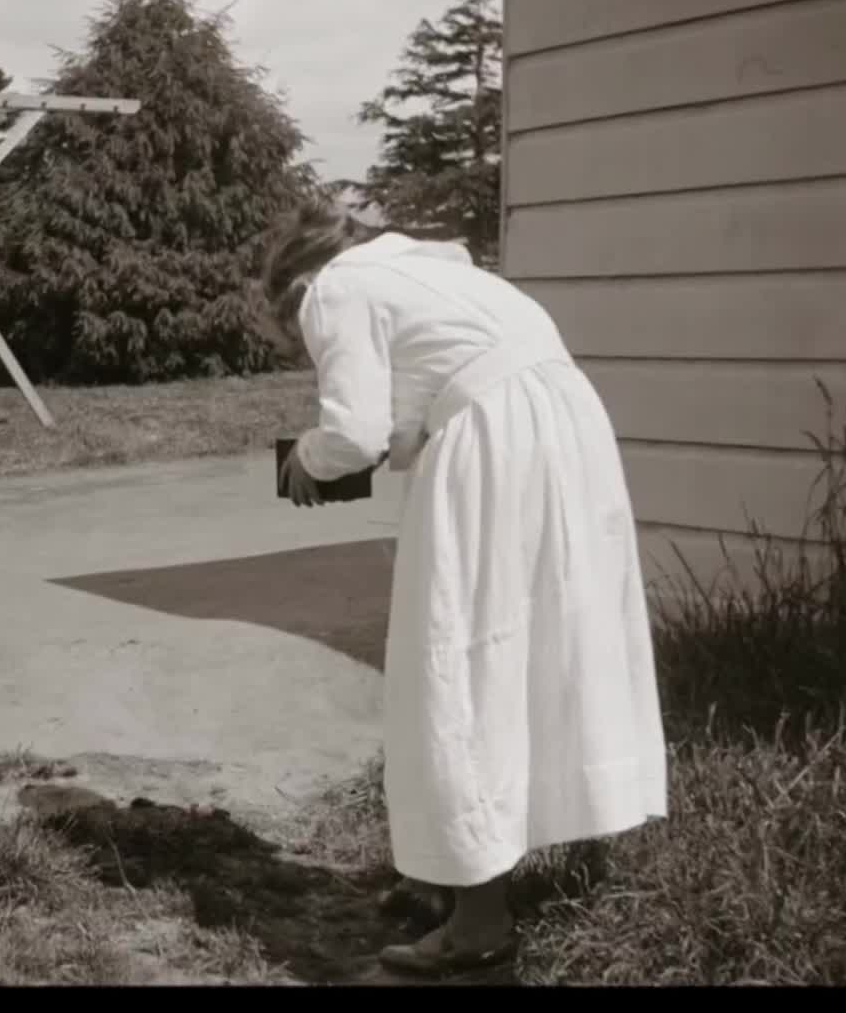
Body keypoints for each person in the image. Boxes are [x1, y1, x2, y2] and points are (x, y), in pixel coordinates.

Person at [257, 202, 668, 976]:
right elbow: (413, 415)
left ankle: (479, 924)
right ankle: (455, 873)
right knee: (545, 639)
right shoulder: (436, 275)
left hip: (494, 447)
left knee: (459, 659)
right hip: (563, 428)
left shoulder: (336, 286)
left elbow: (355, 434)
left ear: (295, 284)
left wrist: (309, 460)